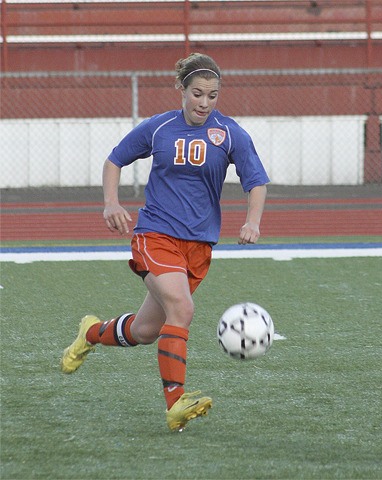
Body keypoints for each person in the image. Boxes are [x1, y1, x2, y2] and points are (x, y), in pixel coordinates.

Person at [60, 53, 270, 432]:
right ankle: (176, 403)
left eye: (212, 96)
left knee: (144, 331)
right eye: (197, 94)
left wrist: (252, 221)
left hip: (199, 248)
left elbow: (257, 181)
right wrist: (111, 202)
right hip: (155, 234)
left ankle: (89, 332)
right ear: (182, 90)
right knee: (182, 310)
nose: (204, 103)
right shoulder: (159, 128)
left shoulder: (231, 133)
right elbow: (114, 160)